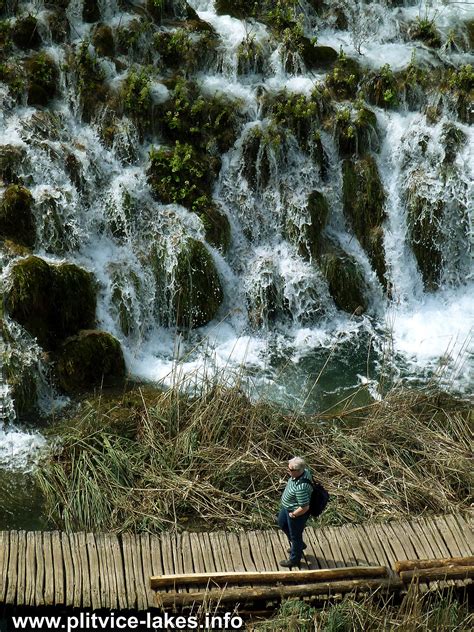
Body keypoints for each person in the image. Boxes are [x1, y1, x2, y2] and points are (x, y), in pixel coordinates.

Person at [278, 456, 312, 568]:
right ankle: (299, 545)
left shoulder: (301, 487)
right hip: (287, 508)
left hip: (295, 513)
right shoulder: (304, 471)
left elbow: (305, 507)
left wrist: (294, 514)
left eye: (291, 470)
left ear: (299, 471)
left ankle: (294, 559)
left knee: (295, 535)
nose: (288, 471)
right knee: (282, 523)